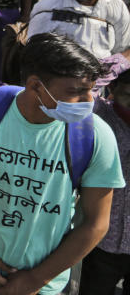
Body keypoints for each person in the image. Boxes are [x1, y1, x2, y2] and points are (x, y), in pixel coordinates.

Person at [0, 33, 124, 295]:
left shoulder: (96, 136)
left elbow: (96, 223)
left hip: (45, 284)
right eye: (76, 91)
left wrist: (33, 280)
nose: (89, 101)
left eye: (92, 89)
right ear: (36, 86)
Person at [82, 68, 130, 295]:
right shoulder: (100, 113)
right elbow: (79, 89)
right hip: (101, 242)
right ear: (113, 88)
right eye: (129, 94)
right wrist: (115, 66)